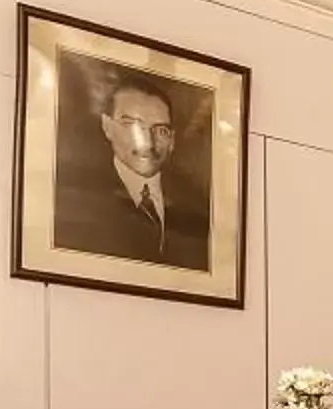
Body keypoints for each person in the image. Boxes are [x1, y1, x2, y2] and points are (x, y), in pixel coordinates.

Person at [51, 59, 214, 270]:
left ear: (172, 141)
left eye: (161, 130)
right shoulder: (74, 197)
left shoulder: (197, 206)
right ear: (107, 127)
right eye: (132, 126)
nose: (148, 143)